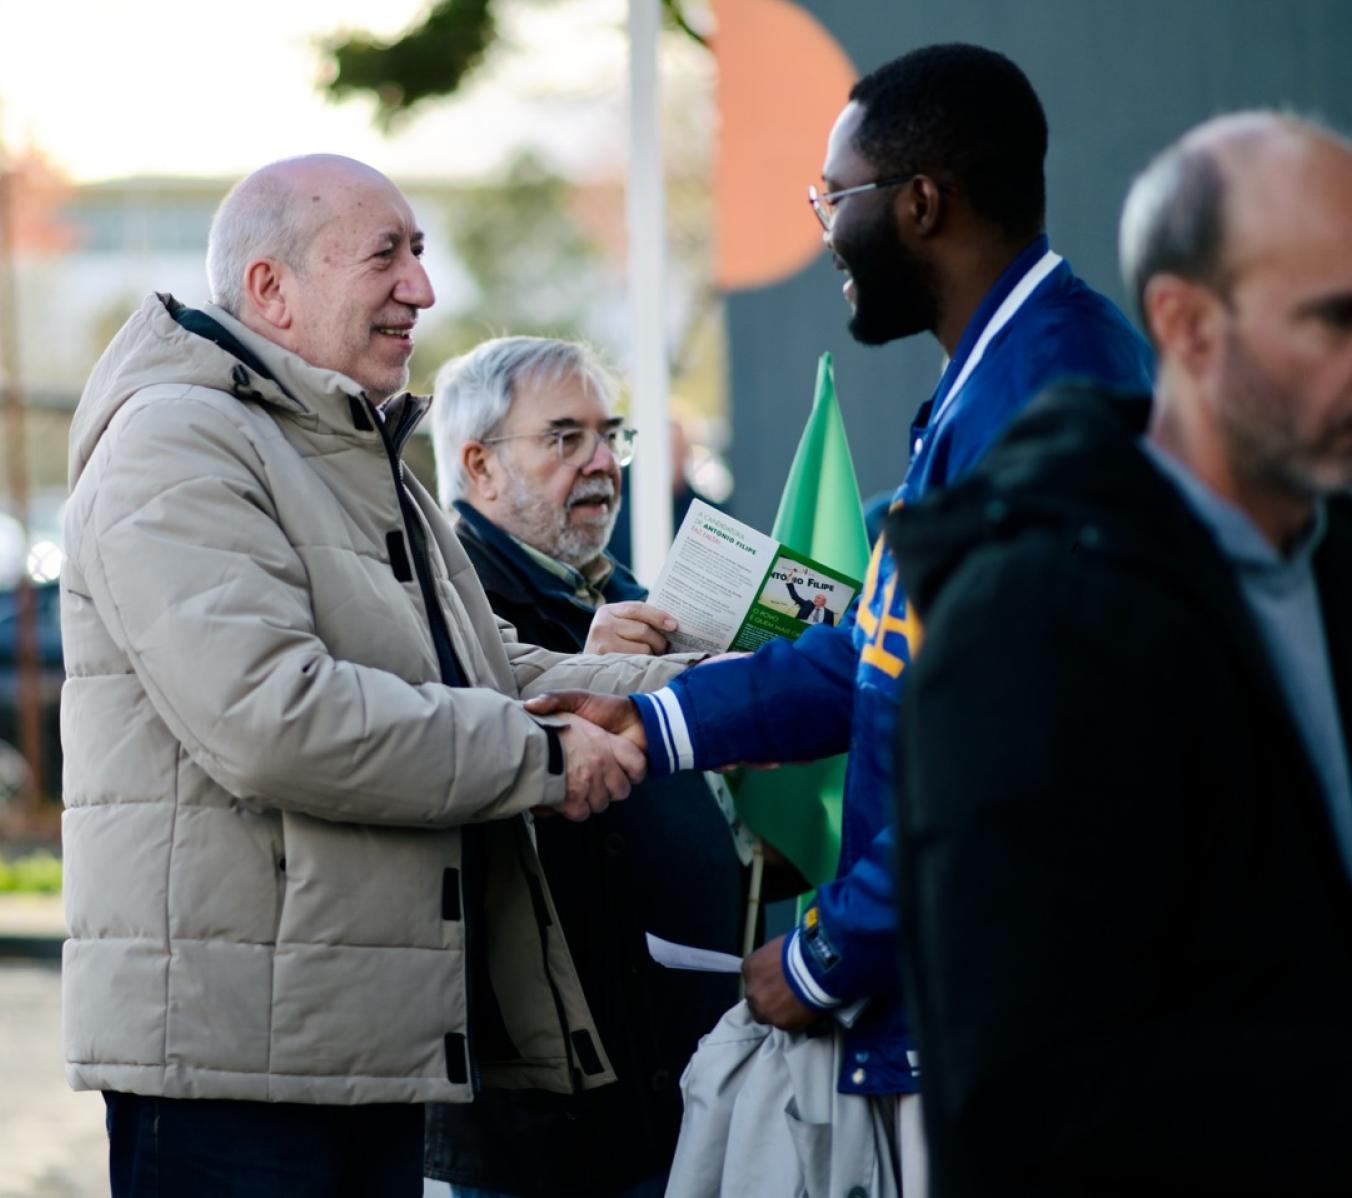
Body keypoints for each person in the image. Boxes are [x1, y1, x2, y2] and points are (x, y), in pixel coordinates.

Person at [530, 44, 1153, 1192]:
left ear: (922, 202)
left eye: (834, 197)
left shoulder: (1053, 396)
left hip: (1028, 1029)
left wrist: (825, 954)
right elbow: (871, 656)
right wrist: (651, 722)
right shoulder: (996, 374)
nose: (824, 232)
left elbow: (1013, 762)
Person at [58, 154, 690, 1197]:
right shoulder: (176, 442)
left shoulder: (342, 449)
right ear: (271, 288)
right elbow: (273, 717)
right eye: (387, 255)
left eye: (421, 253)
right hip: (239, 1074)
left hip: (354, 1048)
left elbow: (479, 662)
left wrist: (690, 690)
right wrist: (541, 755)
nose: (422, 290)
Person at [886, 111, 1352, 1196]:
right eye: (1332, 321)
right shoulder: (1032, 622)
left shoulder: (1326, 559)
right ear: (1185, 325)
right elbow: (1026, 1098)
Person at [423, 336, 745, 1197]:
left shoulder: (618, 591)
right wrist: (583, 667)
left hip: (663, 1092)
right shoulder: (443, 604)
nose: (601, 462)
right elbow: (456, 760)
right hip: (549, 1124)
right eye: (566, 438)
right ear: (480, 466)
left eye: (611, 435)